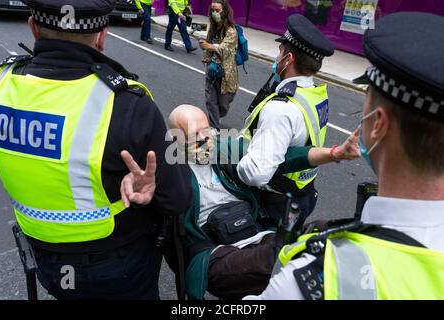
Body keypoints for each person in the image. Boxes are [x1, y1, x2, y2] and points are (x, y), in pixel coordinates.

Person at [0, 0, 191, 300]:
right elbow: (175, 199)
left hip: (44, 260)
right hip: (117, 269)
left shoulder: (0, 84)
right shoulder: (127, 103)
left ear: (32, 28)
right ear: (101, 36)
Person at [244, 12, 444, 300]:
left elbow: (258, 170)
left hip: (275, 199)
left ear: (378, 124)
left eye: (366, 100)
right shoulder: (313, 94)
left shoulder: (312, 280)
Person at [167, 105, 359, 300]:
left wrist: (335, 153)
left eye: (205, 130)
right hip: (214, 254)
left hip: (254, 234)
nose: (203, 139)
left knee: (319, 231)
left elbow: (281, 159)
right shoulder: (166, 173)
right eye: (193, 135)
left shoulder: (223, 148)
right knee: (278, 256)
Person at [237, 14, 335, 230]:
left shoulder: (281, 109)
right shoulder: (314, 94)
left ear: (288, 59)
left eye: (280, 51)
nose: (277, 56)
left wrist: (234, 159)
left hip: (272, 204)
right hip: (302, 194)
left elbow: (256, 173)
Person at [200, 0, 238, 130]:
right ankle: (213, 128)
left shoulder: (231, 31)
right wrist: (206, 54)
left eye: (217, 10)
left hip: (226, 74)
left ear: (224, 11)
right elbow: (208, 48)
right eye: (212, 10)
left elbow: (225, 49)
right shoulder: (213, 28)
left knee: (223, 105)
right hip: (211, 70)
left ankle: (217, 116)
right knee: (210, 101)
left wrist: (210, 46)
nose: (214, 13)